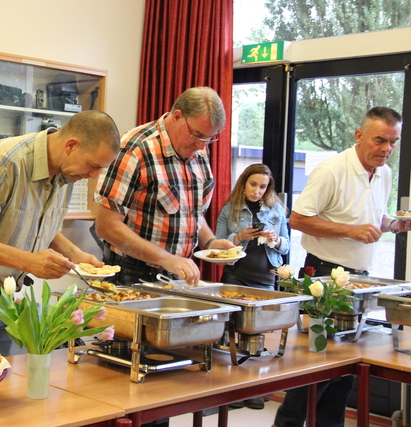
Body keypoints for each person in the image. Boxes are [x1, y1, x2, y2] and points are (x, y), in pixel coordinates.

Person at [0, 110, 120, 356]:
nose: (94, 176)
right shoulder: (3, 161)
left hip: (6, 294)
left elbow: (38, 224)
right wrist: (30, 262)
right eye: (93, 166)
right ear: (71, 145)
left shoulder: (66, 174)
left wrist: (75, 255)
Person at [274, 106, 410, 427]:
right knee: (316, 368)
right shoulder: (332, 169)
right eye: (380, 140)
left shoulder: (385, 173)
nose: (386, 150)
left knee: (344, 373)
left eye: (393, 142)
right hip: (322, 272)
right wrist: (351, 231)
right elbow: (298, 219)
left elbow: (372, 220)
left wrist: (394, 225)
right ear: (359, 136)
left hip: (358, 278)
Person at [94, 87, 234, 287]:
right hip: (132, 273)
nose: (202, 146)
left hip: (178, 271)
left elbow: (190, 211)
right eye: (197, 135)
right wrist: (165, 258)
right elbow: (107, 226)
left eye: (209, 139)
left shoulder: (198, 151)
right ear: (177, 116)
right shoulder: (134, 148)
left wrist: (211, 242)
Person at [215, 163, 289, 291]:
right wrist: (239, 237)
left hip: (266, 279)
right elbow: (217, 246)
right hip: (235, 276)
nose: (257, 191)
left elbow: (286, 247)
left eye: (262, 187)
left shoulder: (277, 209)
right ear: (244, 183)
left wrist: (276, 239)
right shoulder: (229, 210)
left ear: (268, 188)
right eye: (253, 184)